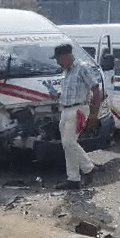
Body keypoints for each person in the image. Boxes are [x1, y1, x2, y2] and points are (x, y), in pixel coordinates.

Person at [52, 44, 103, 190]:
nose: (57, 62)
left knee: (69, 143)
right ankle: (73, 179)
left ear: (65, 57)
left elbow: (96, 90)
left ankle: (89, 168)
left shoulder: (83, 67)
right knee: (67, 145)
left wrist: (94, 114)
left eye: (58, 59)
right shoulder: (67, 71)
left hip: (78, 109)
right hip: (66, 109)